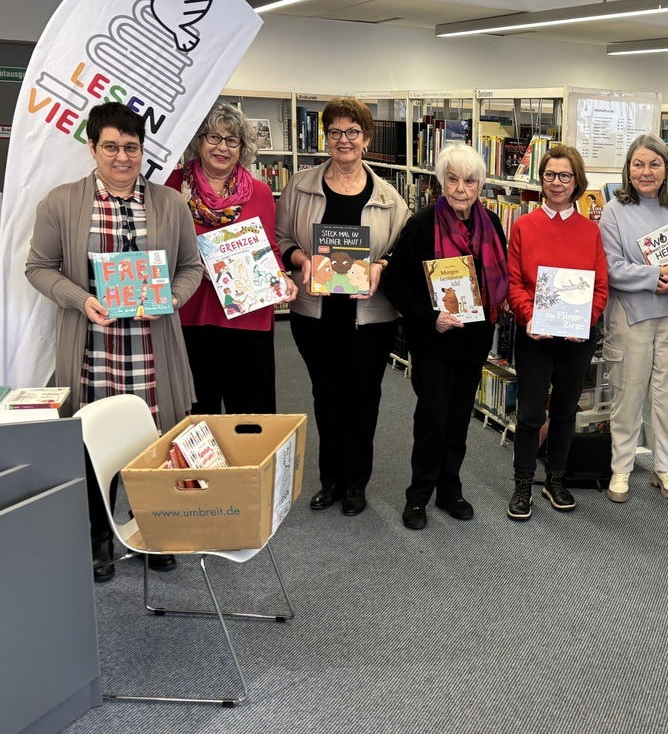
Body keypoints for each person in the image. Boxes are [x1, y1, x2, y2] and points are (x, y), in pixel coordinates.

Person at [25, 102, 204, 581]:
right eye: (111, 147)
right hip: (93, 348)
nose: (122, 157)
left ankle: (152, 529)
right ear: (92, 148)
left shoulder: (170, 203)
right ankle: (98, 537)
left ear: (143, 149)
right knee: (92, 442)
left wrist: (170, 298)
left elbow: (191, 267)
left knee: (155, 441)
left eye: (131, 147)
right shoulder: (61, 202)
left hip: (152, 346)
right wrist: (81, 300)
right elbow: (38, 268)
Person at [276, 97, 409, 517]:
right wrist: (303, 260)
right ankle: (329, 480)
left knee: (363, 397)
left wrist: (381, 267)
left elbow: (402, 252)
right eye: (335, 132)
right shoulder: (300, 186)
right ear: (326, 137)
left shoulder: (389, 197)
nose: (344, 140)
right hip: (316, 312)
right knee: (326, 394)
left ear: (366, 138)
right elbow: (281, 239)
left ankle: (355, 483)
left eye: (353, 132)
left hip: (370, 317)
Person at [381, 144, 509, 530]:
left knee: (458, 419)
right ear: (441, 182)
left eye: (469, 181)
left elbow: (497, 280)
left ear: (481, 185)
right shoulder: (421, 225)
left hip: (473, 342)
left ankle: (450, 489)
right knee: (432, 420)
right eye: (452, 180)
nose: (460, 189)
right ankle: (418, 494)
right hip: (434, 341)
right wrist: (431, 316)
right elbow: (394, 283)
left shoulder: (492, 224)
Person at [167, 103, 297, 415]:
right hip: (191, 312)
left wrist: (282, 276)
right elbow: (160, 246)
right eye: (213, 137)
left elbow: (271, 249)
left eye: (232, 140)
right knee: (198, 414)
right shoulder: (171, 187)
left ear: (242, 147)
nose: (222, 147)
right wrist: (190, 263)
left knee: (252, 415)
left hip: (249, 315)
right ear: (199, 140)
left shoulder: (260, 192)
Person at [599, 134, 668, 503]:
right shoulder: (614, 210)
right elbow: (611, 267)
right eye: (639, 164)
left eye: (654, 164)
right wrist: (657, 276)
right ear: (628, 169)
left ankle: (665, 467)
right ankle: (621, 468)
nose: (646, 172)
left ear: (666, 169)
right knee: (628, 395)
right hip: (632, 317)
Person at [505, 145, 608, 520]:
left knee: (565, 411)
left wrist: (586, 321)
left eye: (565, 175)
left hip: (576, 339)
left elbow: (600, 287)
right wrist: (530, 317)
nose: (557, 182)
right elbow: (514, 283)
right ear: (542, 179)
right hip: (534, 336)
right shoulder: (523, 226)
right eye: (550, 175)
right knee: (531, 412)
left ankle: (556, 480)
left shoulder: (590, 231)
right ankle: (522, 483)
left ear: (576, 181)